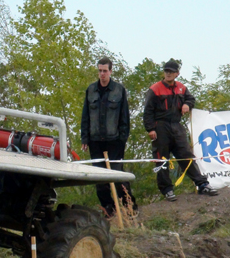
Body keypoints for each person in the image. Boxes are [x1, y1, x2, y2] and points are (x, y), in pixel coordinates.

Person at [143, 59, 218, 201]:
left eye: (171, 71)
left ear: (177, 73)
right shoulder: (155, 89)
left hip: (176, 126)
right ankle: (167, 190)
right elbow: (147, 111)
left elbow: (191, 98)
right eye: (166, 71)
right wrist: (151, 129)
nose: (168, 73)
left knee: (186, 155)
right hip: (160, 126)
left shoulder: (182, 88)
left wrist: (187, 104)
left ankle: (202, 184)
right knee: (162, 159)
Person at [81, 57, 135, 217]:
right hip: (95, 141)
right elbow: (85, 116)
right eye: (100, 70)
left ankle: (130, 207)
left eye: (105, 71)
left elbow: (124, 117)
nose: (102, 74)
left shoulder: (119, 90)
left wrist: (122, 139)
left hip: (114, 141)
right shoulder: (90, 90)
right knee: (99, 179)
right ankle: (108, 208)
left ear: (110, 71)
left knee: (118, 177)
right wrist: (84, 138)